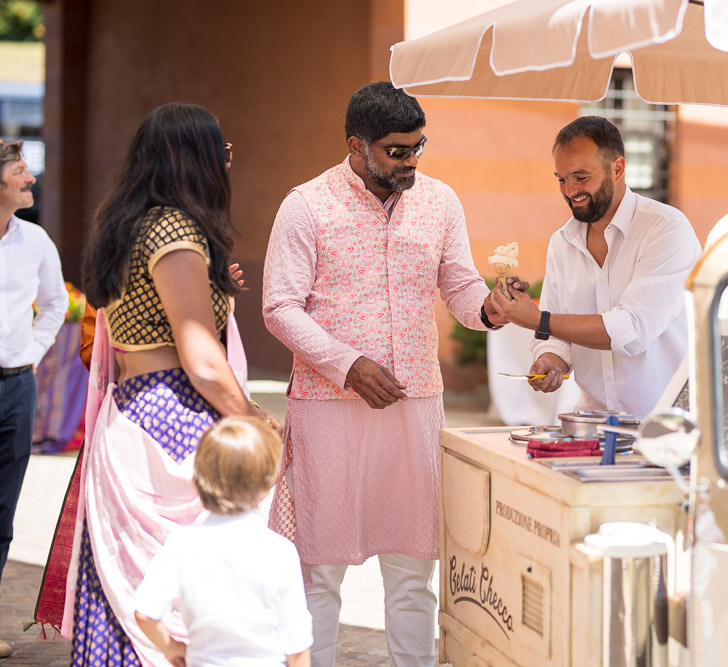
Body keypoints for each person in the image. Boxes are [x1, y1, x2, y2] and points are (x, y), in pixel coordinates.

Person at [262, 81, 510, 666]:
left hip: (413, 405)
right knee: (318, 571)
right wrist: (348, 366)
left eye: (419, 146)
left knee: (411, 572)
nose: (412, 161)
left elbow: (460, 287)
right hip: (327, 409)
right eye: (398, 150)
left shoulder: (440, 201)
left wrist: (491, 308)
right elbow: (279, 307)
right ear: (357, 145)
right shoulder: (307, 205)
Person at [63, 102, 278, 665]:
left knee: (129, 578)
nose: (227, 161)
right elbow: (201, 358)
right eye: (220, 150)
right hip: (172, 416)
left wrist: (213, 285)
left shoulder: (126, 223)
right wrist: (249, 419)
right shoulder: (175, 230)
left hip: (129, 412)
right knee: (190, 579)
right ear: (194, 159)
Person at [490, 116, 701, 418]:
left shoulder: (666, 229)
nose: (569, 190)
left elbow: (633, 330)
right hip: (593, 423)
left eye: (580, 177)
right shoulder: (561, 242)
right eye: (561, 179)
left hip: (667, 424)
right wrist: (551, 360)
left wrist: (538, 319)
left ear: (617, 168)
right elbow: (556, 336)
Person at [134, 416, 312, 667]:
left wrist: (171, 648)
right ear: (266, 485)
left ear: (199, 480)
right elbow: (297, 645)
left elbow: (145, 613)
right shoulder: (280, 551)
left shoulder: (183, 542)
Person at [0, 138, 68, 657]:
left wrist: (32, 353)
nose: (31, 179)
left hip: (15, 387)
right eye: (22, 170)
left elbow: (55, 303)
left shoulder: (36, 241)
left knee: (3, 512)